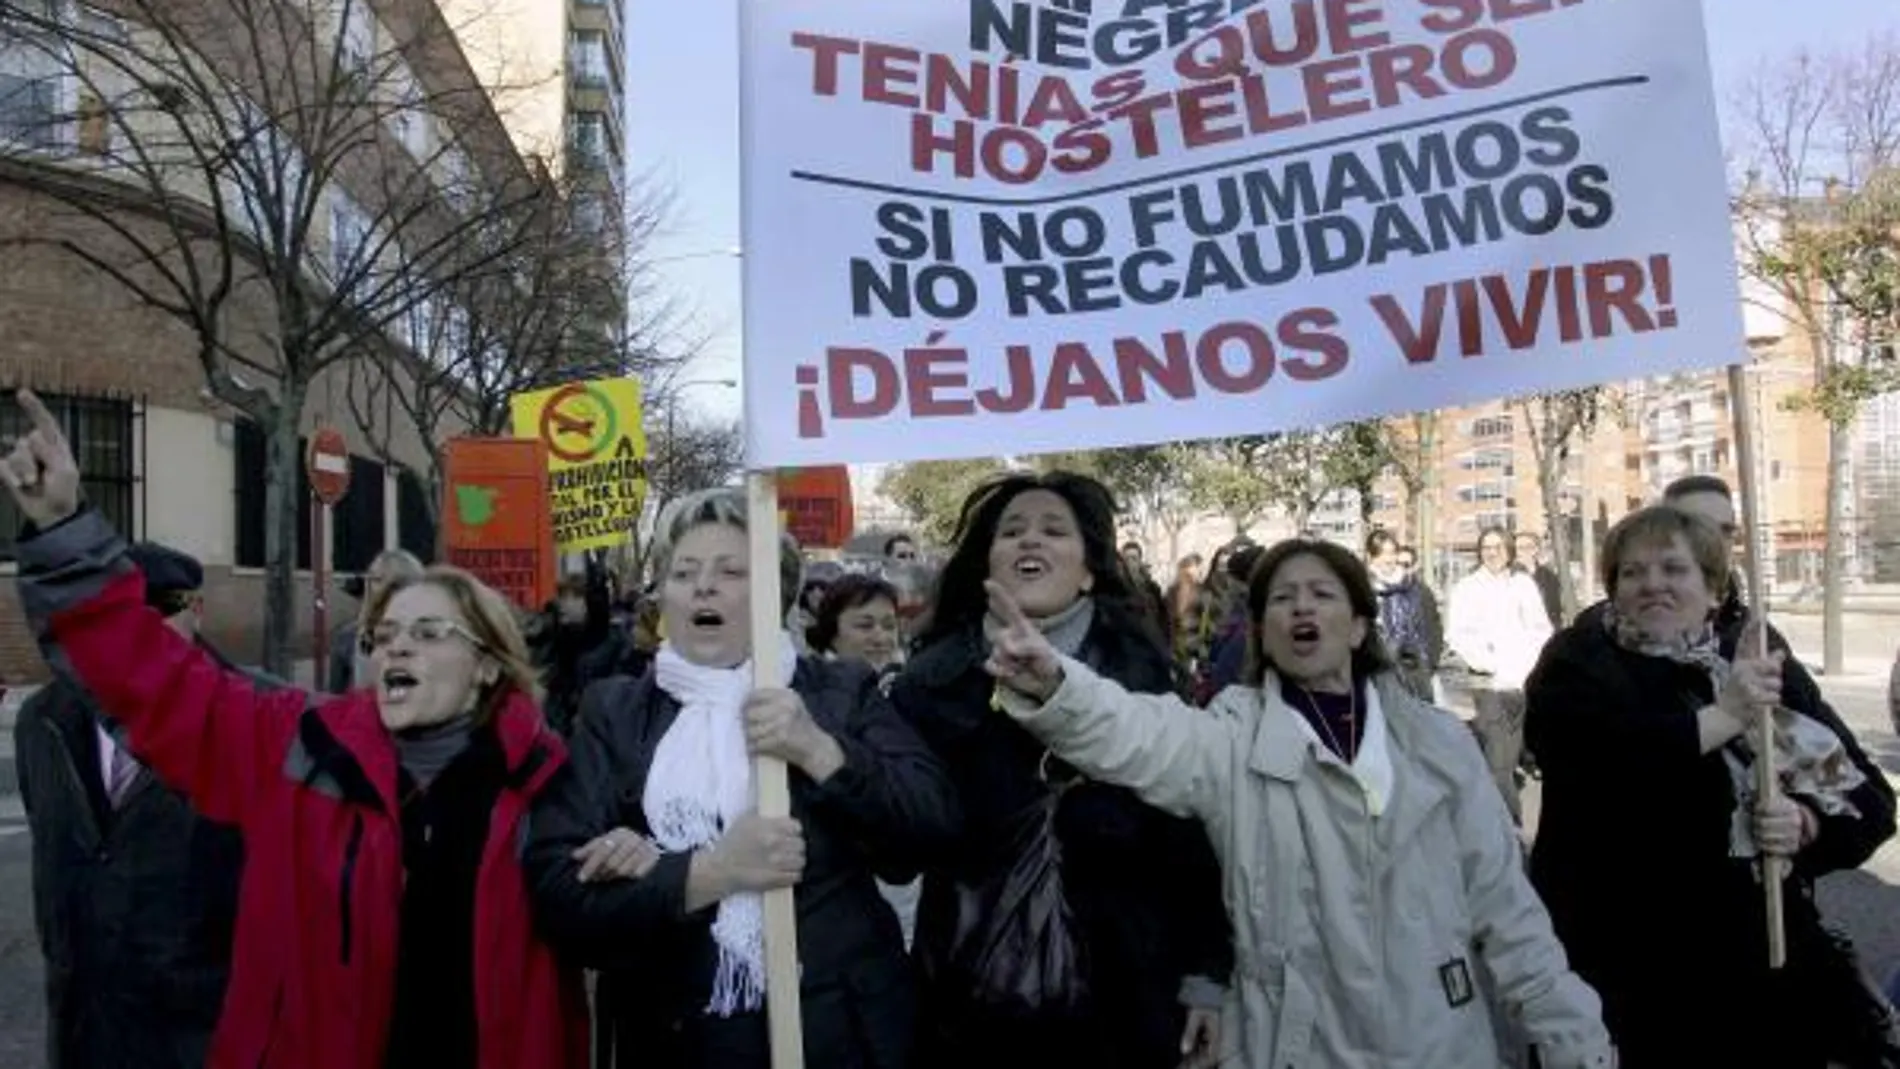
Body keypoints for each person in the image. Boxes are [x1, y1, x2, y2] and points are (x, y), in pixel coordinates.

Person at [0, 389, 587, 1068]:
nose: (395, 647)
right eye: (385, 632)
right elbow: (156, 682)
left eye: (429, 633)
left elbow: (615, 921)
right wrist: (64, 530)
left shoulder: (549, 780)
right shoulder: (301, 748)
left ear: (487, 664)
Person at [980, 537, 1616, 1069]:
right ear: (1262, 629)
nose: (1299, 608)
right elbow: (1143, 735)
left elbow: (1506, 907)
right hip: (1294, 1043)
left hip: (1439, 1039)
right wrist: (1059, 683)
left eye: (1321, 594)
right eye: (1281, 599)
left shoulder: (1440, 743)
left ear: (1360, 623)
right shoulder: (1234, 735)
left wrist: (1573, 1037)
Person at [525, 487, 959, 1069]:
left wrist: (822, 752)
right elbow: (559, 895)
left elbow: (931, 829)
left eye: (731, 571)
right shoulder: (616, 712)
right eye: (684, 572)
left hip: (842, 1034)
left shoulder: (838, 693)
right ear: (664, 598)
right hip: (677, 1037)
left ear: (773, 595)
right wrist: (707, 873)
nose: (704, 585)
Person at [1525, 506, 1895, 1067]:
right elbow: (1595, 772)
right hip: (1627, 974)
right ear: (1613, 588)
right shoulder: (1576, 663)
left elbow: (1867, 799)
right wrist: (1720, 720)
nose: (1653, 584)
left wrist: (1804, 824)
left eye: (1674, 569)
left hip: (1758, 977)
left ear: (1714, 588)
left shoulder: (1757, 661)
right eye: (1632, 572)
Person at [892, 471, 1232, 1069]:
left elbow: (1188, 836)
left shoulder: (1140, 673)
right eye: (1013, 532)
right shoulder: (930, 682)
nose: (1031, 542)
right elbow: (901, 842)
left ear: (1089, 570)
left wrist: (1207, 975)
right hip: (974, 992)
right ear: (987, 564)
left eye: (1054, 531)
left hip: (1127, 991)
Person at [14, 541, 283, 1069]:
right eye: (124, 609)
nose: (139, 627)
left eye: (161, 606)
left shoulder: (257, 717)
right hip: (84, 1029)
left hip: (203, 1031)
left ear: (196, 612)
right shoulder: (42, 721)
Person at [804, 572, 919, 946]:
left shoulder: (907, 690)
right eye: (864, 625)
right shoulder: (807, 697)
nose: (881, 637)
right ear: (831, 631)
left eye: (888, 625)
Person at [1446, 526, 1553, 821]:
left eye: (1498, 547)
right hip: (1488, 683)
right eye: (1486, 547)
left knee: (1506, 759)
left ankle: (1492, 823)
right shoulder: (1467, 588)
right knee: (1498, 761)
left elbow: (1541, 629)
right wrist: (1486, 661)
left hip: (1520, 682)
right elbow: (1457, 633)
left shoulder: (1523, 585)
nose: (1492, 553)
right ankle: (1509, 825)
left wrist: (1530, 665)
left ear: (1509, 550)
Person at [533, 569, 635, 735]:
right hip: (562, 734)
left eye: (571, 597)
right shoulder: (558, 638)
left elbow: (622, 693)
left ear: (589, 602)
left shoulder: (615, 641)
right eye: (561, 597)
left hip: (599, 733)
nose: (562, 603)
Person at [327, 548, 424, 692]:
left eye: (396, 584)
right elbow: (334, 701)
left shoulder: (430, 635)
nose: (386, 590)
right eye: (377, 580)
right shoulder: (349, 637)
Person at [1366, 529, 1444, 702]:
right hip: (1378, 676)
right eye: (1381, 553)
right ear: (1370, 556)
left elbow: (1434, 626)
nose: (1388, 559)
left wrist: (1430, 663)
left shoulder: (1417, 588)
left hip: (1418, 674)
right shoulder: (1362, 590)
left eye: (1392, 553)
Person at [1514, 531, 1565, 628]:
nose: (1522, 552)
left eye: (1527, 547)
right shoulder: (1507, 576)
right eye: (1518, 548)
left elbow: (1555, 608)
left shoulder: (1549, 577)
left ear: (1536, 549)